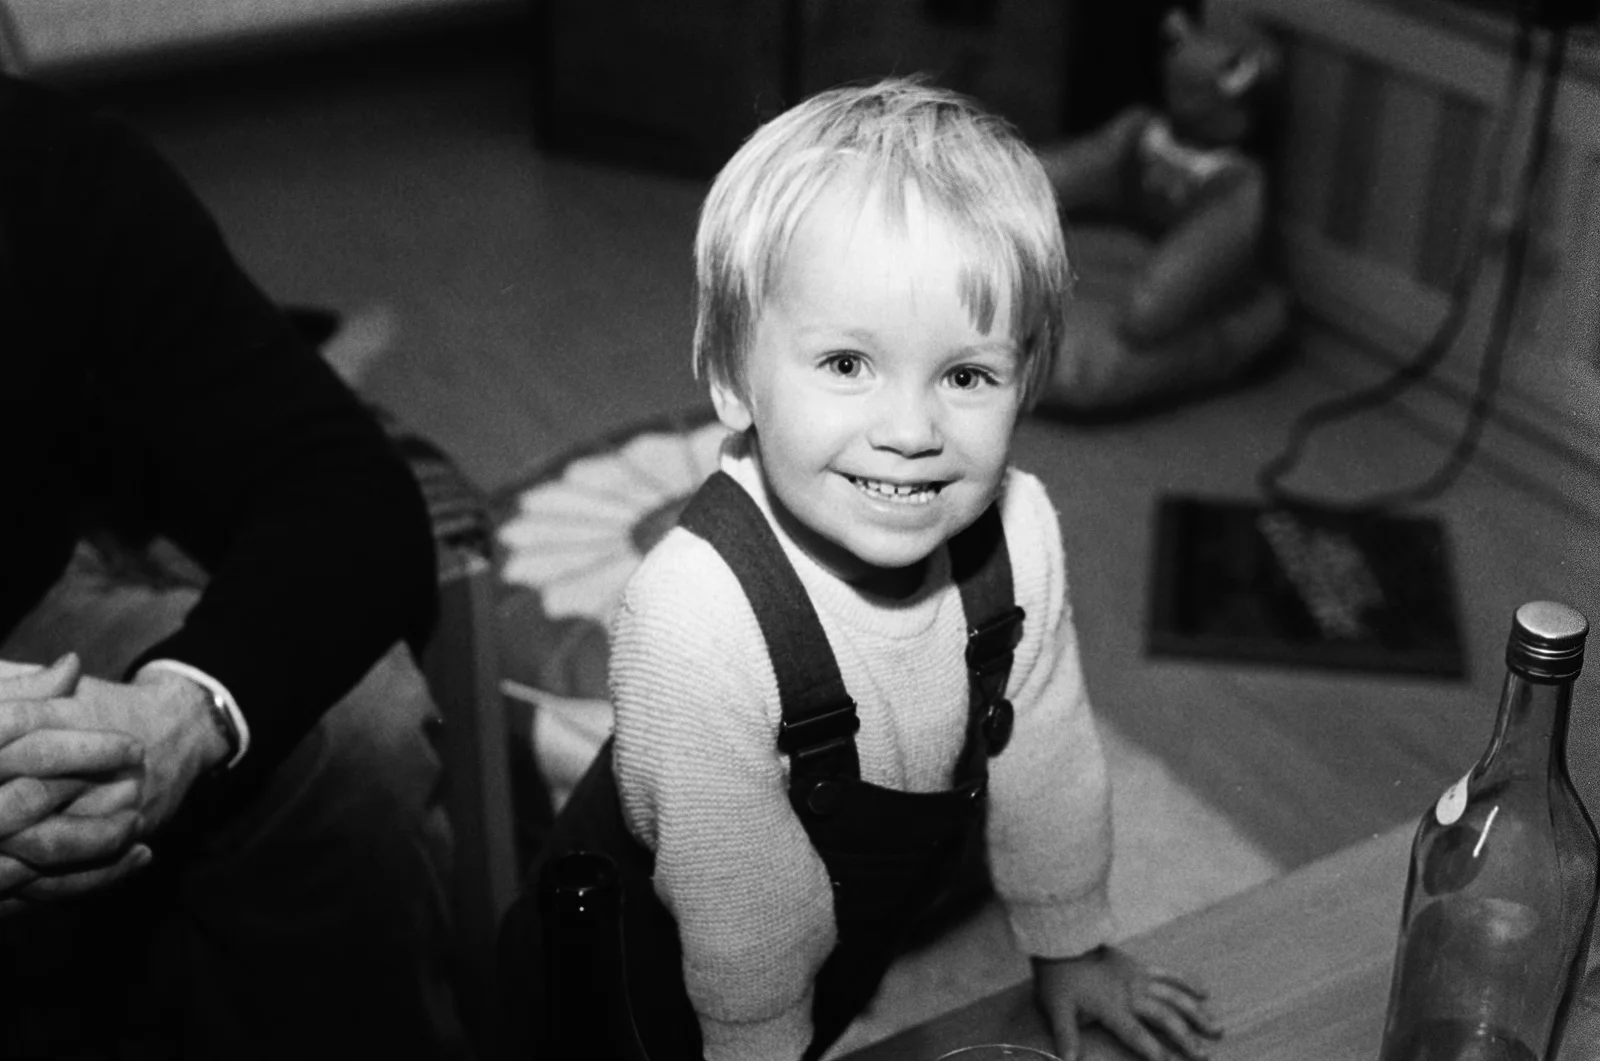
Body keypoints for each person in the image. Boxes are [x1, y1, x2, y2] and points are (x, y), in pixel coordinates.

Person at [503, 78, 1220, 1061]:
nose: (910, 430)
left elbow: (1047, 761)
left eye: (965, 374)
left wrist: (1070, 945)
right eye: (847, 364)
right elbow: (747, 918)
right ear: (732, 377)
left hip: (823, 969)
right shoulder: (692, 619)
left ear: (1024, 383)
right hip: (607, 1002)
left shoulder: (1021, 535)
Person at [0, 73, 471, 1058]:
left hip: (25, 614)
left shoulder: (44, 161)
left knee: (356, 726)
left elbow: (342, 483)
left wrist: (178, 715)